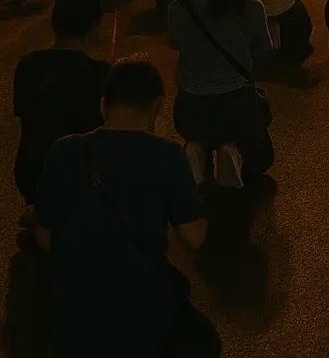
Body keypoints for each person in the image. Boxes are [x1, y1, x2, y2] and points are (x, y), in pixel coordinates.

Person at [34, 57, 218, 358]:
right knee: (205, 342)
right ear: (158, 106)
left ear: (103, 105)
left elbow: (45, 239)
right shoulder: (167, 156)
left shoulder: (63, 150)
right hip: (143, 319)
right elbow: (193, 237)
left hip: (72, 322)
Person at [167, 0, 274, 188]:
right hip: (237, 106)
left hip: (190, 108)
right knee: (263, 159)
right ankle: (230, 148)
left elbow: (176, 44)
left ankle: (197, 148)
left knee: (200, 127)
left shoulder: (179, 7)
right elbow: (264, 52)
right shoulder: (251, 8)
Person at [13, 0, 109, 208]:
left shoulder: (28, 66)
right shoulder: (100, 73)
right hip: (81, 174)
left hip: (32, 170)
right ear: (93, 29)